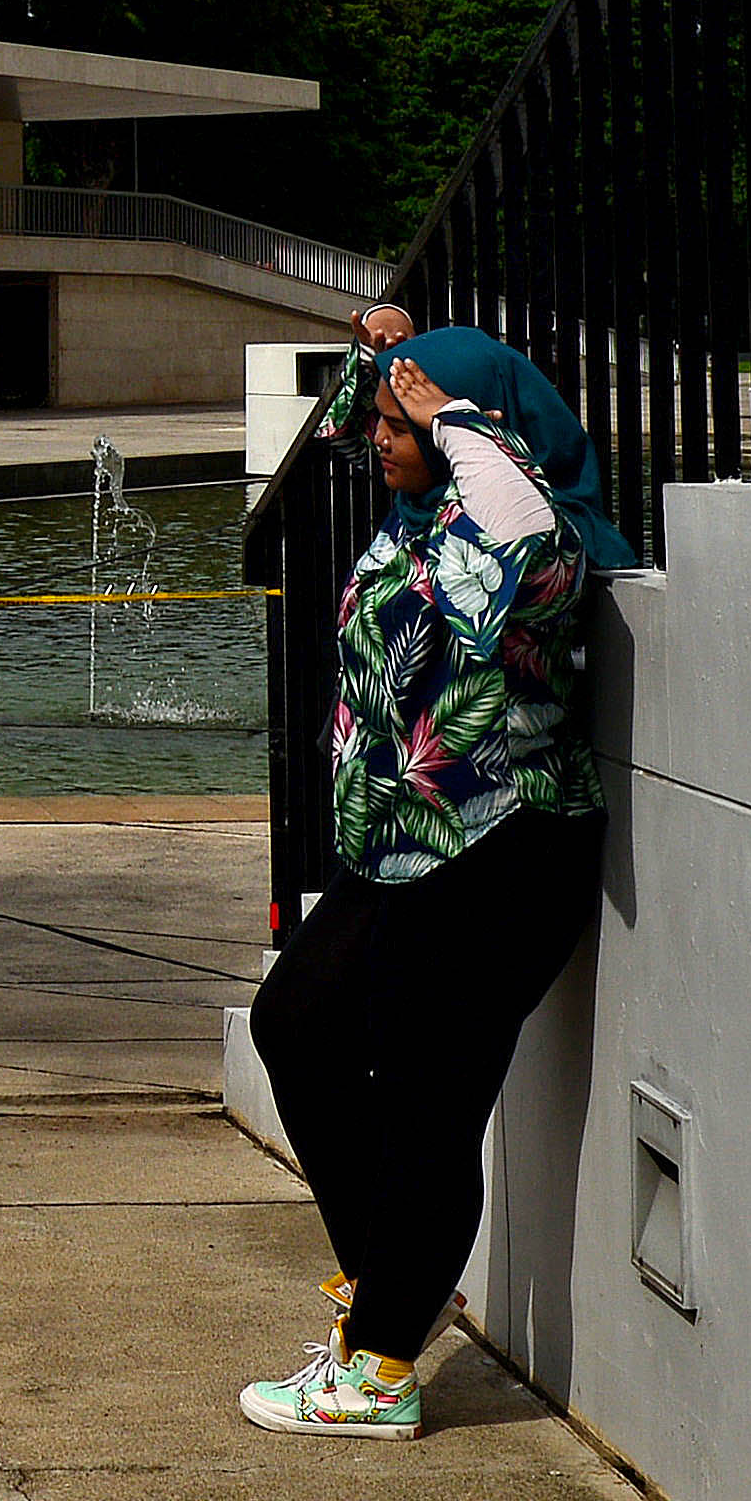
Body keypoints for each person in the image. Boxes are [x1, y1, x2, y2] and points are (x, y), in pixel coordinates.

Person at [235, 322, 634, 1439]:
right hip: (406, 847)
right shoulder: (419, 515)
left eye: (399, 423)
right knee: (296, 1022)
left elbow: (508, 530)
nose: (380, 436)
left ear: (477, 434)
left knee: (428, 1101)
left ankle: (379, 1369)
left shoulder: (537, 541)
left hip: (499, 852)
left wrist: (452, 413)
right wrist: (387, 361)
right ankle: (395, 1278)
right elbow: (346, 441)